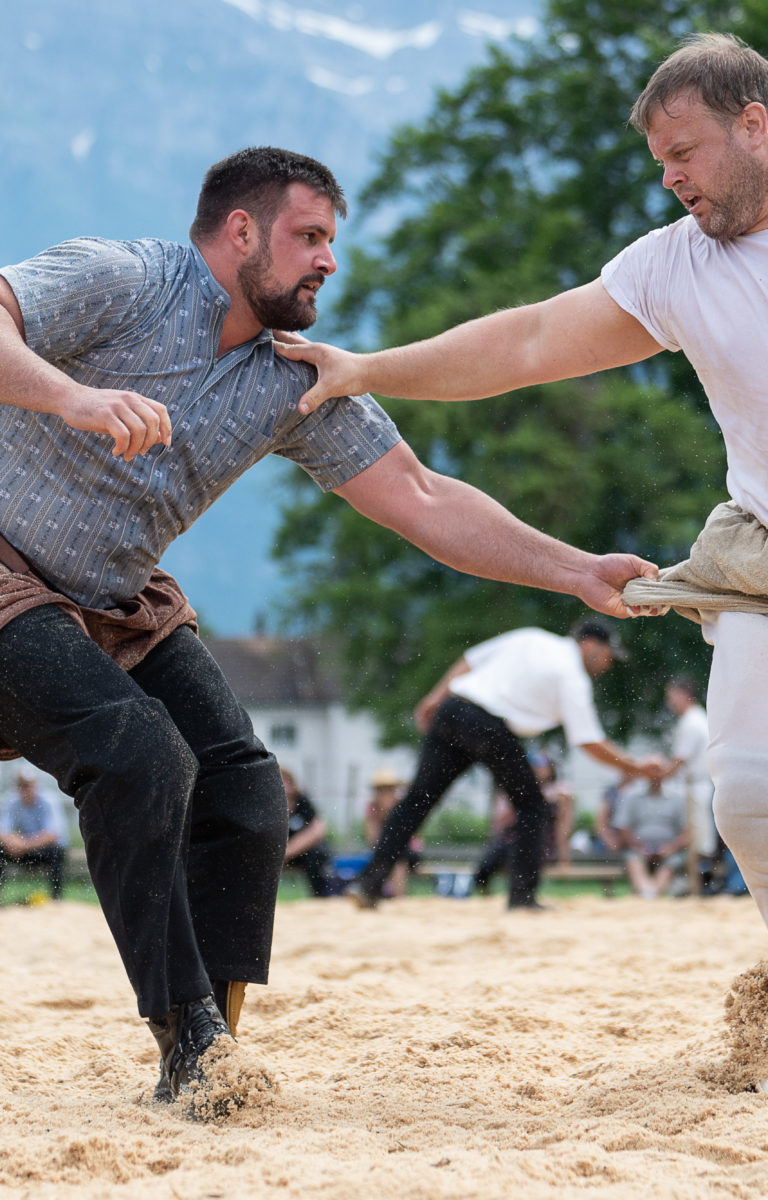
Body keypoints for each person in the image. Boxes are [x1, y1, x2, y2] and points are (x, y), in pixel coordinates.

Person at [0, 146, 655, 1106]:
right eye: (310, 237)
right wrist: (74, 396)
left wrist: (576, 571)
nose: (328, 261)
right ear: (240, 232)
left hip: (114, 599)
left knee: (247, 790)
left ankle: (203, 1056)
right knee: (140, 751)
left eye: (332, 242)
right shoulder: (127, 276)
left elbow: (424, 498)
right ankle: (189, 1035)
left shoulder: (294, 378)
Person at [275, 34, 768, 1076]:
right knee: (747, 795)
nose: (670, 177)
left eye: (684, 151)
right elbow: (533, 340)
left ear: (755, 124)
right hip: (758, 558)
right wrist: (368, 369)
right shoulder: (676, 265)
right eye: (656, 162)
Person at [347, 619, 662, 910]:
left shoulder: (531, 637)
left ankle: (370, 884)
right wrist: (637, 768)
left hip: (454, 710)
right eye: (608, 655)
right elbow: (588, 741)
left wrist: (435, 697)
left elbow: (471, 660)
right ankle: (522, 897)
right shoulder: (572, 675)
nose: (608, 665)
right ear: (590, 645)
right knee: (532, 807)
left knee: (417, 800)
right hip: (489, 726)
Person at [613, 775, 689, 899]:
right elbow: (623, 827)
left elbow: (687, 830)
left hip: (669, 849)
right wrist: (637, 847)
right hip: (637, 847)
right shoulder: (631, 796)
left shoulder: (677, 797)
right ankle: (648, 892)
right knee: (633, 858)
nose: (655, 775)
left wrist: (670, 848)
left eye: (658, 770)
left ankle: (652, 893)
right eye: (651, 770)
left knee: (672, 862)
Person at [0, 767, 69, 900]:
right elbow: (3, 830)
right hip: (21, 850)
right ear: (17, 786)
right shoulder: (11, 800)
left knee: (57, 852)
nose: (25, 789)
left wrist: (24, 844)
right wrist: (12, 842)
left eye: (28, 785)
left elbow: (53, 834)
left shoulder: (49, 800)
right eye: (22, 785)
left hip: (42, 850)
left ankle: (56, 898)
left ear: (35, 785)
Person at [281, 767, 340, 897]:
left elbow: (318, 829)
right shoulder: (266, 806)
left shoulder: (302, 802)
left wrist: (287, 851)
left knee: (318, 854)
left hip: (299, 854)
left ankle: (320, 896)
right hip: (275, 854)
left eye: (286, 781)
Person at [364, 768, 423, 898]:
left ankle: (398, 896)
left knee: (398, 853)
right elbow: (372, 839)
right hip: (385, 852)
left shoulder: (403, 807)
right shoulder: (372, 809)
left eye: (388, 789)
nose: (384, 794)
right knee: (389, 854)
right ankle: (387, 893)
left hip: (409, 852)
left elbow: (412, 837)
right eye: (381, 790)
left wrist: (391, 814)